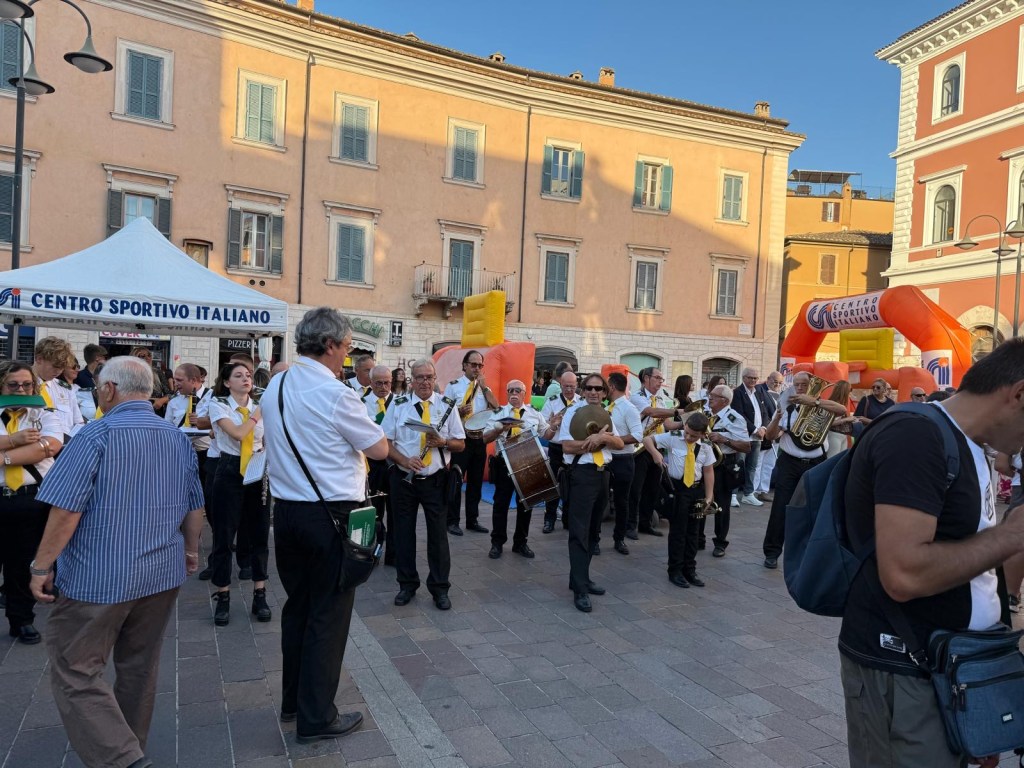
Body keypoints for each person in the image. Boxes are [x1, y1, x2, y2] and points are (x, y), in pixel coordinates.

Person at [838, 339, 1024, 768]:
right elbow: (905, 575)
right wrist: (1013, 537)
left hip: (950, 670)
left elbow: (973, 566)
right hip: (905, 671)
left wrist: (985, 687)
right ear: (1018, 394)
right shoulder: (915, 436)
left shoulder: (973, 445)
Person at [29, 355, 204, 768]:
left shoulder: (95, 435)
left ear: (108, 390)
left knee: (75, 667)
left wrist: (40, 566)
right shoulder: (176, 437)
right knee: (139, 666)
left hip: (100, 576)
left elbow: (66, 510)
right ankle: (130, 744)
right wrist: (192, 551)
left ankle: (121, 757)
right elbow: (195, 507)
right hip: (161, 572)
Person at [260, 307, 388, 743]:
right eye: (348, 348)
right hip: (332, 515)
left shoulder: (276, 384)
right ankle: (317, 718)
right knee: (328, 617)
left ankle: (294, 702)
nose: (348, 357)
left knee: (298, 607)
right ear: (331, 345)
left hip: (288, 513)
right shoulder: (337, 394)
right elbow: (379, 448)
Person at [384, 358, 466, 610]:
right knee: (403, 534)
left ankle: (440, 588)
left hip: (436, 480)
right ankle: (407, 585)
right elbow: (385, 443)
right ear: (411, 380)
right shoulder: (398, 406)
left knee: (438, 536)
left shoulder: (447, 406)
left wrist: (442, 443)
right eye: (419, 377)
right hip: (404, 479)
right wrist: (404, 460)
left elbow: (460, 443)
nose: (424, 382)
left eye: (429, 377)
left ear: (435, 379)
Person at [0, 362, 63, 644]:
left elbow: (50, 445)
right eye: (13, 385)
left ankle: (22, 619)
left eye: (26, 384)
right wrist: (15, 439)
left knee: (23, 562)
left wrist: (4, 455)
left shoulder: (45, 412)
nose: (21, 390)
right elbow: (37, 448)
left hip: (31, 496)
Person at [762, 373, 848, 570]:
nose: (800, 388)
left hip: (816, 461)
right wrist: (776, 419)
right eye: (798, 384)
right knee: (781, 507)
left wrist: (815, 402)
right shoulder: (787, 405)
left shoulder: (823, 405)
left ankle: (811, 552)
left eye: (805, 384)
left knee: (814, 507)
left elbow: (842, 410)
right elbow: (770, 435)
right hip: (790, 462)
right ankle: (772, 552)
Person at [207, 361, 271, 626]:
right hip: (230, 469)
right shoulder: (219, 405)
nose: (246, 379)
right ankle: (223, 596)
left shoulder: (259, 405)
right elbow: (236, 434)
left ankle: (260, 593)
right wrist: (257, 413)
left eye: (248, 375)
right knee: (224, 535)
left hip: (256, 468)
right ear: (226, 382)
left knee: (258, 535)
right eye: (238, 376)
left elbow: (266, 439)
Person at [557, 373, 623, 613]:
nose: (594, 392)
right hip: (581, 476)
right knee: (579, 532)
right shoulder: (573, 413)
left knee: (594, 532)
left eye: (599, 388)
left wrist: (603, 437)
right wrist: (593, 441)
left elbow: (619, 444)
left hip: (603, 474)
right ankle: (580, 589)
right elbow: (566, 446)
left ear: (605, 392)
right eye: (589, 388)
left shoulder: (607, 416)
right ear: (583, 391)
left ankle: (580, 577)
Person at [645, 411, 713, 589]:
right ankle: (674, 570)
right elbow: (647, 440)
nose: (688, 437)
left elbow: (708, 471)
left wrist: (709, 496)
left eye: (694, 435)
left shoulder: (705, 445)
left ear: (702, 434)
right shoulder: (674, 437)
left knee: (694, 532)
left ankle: (689, 570)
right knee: (678, 532)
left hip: (696, 490)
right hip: (678, 489)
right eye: (687, 432)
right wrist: (655, 453)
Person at [481, 379, 548, 559]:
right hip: (505, 463)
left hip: (528, 463)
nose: (514, 393)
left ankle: (521, 542)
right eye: (510, 390)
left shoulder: (534, 413)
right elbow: (485, 438)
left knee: (526, 504)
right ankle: (497, 543)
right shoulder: (498, 413)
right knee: (500, 504)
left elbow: (547, 433)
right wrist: (499, 430)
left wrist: (556, 423)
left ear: (524, 394)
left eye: (517, 390)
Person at [444, 350, 497, 536]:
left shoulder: (484, 387)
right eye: (473, 364)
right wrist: (457, 412)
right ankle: (452, 520)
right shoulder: (454, 386)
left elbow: (496, 408)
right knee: (456, 479)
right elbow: (444, 413)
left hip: (478, 439)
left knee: (475, 482)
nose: (477, 368)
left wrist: (485, 387)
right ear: (465, 365)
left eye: (480, 365)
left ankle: (472, 519)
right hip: (461, 438)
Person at [627, 367, 677, 538]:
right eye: (657, 378)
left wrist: (686, 422)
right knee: (635, 489)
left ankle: (645, 523)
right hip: (639, 449)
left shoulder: (661, 399)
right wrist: (677, 411)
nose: (660, 382)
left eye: (661, 379)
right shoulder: (637, 397)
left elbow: (668, 425)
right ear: (646, 378)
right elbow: (650, 411)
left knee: (652, 489)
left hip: (656, 447)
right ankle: (630, 526)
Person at [703, 385, 750, 557]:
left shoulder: (735, 418)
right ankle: (698, 538)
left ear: (725, 400)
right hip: (705, 462)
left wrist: (725, 439)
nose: (710, 397)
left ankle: (720, 542)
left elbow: (746, 446)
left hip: (724, 464)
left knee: (722, 505)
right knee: (702, 499)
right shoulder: (707, 414)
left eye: (713, 396)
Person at [540, 370, 581, 533]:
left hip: (575, 448)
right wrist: (553, 421)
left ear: (576, 386)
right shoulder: (552, 401)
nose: (569, 390)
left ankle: (567, 519)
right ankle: (549, 519)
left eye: (572, 386)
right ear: (560, 385)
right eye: (566, 386)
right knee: (554, 484)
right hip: (556, 447)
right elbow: (542, 425)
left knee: (572, 484)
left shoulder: (581, 402)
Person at [606, 372, 643, 555]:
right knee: (600, 500)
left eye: (606, 385)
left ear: (612, 387)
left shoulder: (629, 408)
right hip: (605, 459)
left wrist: (615, 441)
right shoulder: (606, 407)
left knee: (622, 501)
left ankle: (619, 539)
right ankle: (594, 539)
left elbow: (638, 435)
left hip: (623, 459)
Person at [363, 364, 395, 564]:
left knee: (395, 511)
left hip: (393, 463)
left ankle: (393, 553)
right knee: (374, 511)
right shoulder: (360, 403)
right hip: (372, 464)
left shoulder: (400, 402)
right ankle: (372, 551)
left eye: (387, 383)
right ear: (371, 382)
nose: (383, 387)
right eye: (379, 383)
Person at [164, 363, 212, 484]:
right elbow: (167, 428)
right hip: (181, 454)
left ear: (194, 380)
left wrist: (204, 422)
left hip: (206, 455)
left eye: (179, 380)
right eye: (175, 380)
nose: (175, 384)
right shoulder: (174, 402)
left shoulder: (213, 397)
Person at [732, 368, 772, 507]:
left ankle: (748, 494)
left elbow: (765, 412)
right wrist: (754, 429)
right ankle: (733, 494)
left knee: (752, 466)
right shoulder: (737, 393)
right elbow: (739, 414)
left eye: (755, 378)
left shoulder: (759, 392)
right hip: (743, 436)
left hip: (757, 437)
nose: (753, 381)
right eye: (750, 378)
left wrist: (764, 428)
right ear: (743, 378)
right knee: (739, 465)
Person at [32, 336, 82, 440]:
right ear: (39, 359)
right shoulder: (21, 387)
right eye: (55, 366)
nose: (59, 371)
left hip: (65, 448)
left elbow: (78, 422)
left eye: (62, 367)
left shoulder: (65, 389)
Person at [753, 371, 783, 500]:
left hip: (778, 433)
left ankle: (763, 490)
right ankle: (753, 490)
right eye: (775, 381)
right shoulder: (760, 390)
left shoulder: (780, 394)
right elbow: (761, 412)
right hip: (765, 432)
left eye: (780, 382)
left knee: (769, 464)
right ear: (768, 379)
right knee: (758, 463)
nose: (777, 384)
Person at [824, 380, 853, 458]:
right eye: (850, 390)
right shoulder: (831, 404)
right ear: (844, 391)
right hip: (833, 435)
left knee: (839, 461)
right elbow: (827, 422)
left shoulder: (842, 403)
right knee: (832, 461)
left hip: (842, 435)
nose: (851, 392)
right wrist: (846, 420)